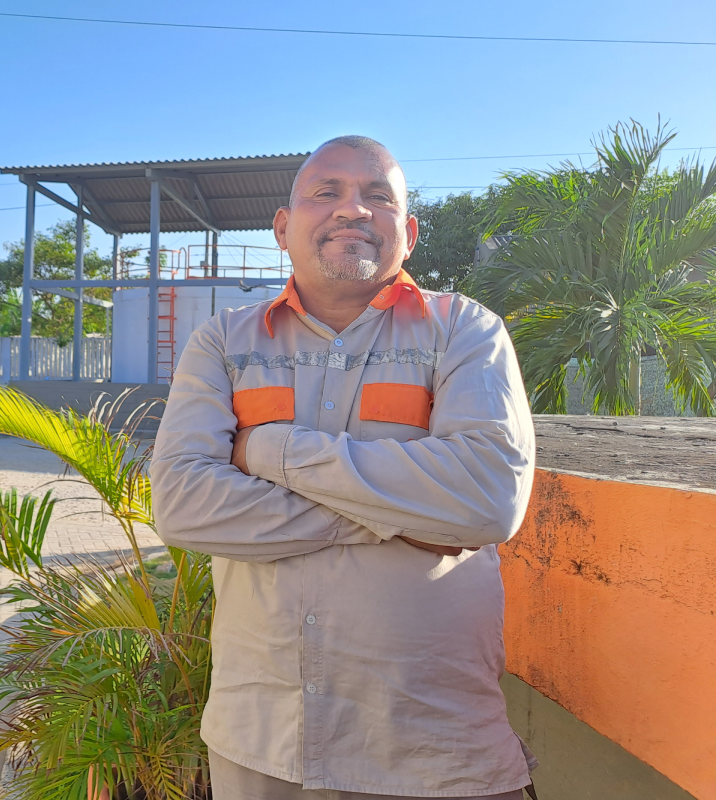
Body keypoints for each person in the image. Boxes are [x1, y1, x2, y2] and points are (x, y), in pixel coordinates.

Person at [149, 136, 537, 800]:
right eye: (325, 192)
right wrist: (402, 518)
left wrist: (264, 451)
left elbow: (486, 499)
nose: (352, 209)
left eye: (377, 196)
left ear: (407, 234)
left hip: (431, 749)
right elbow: (182, 504)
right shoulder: (223, 341)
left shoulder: (465, 330)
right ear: (282, 227)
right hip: (259, 743)